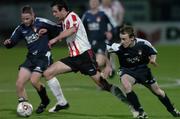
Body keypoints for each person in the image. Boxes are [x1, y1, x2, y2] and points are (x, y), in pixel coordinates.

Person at [43, 0, 130, 113]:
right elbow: (59, 28)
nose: (54, 14)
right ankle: (62, 102)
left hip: (85, 57)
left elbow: (72, 30)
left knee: (104, 85)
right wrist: (47, 30)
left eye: (55, 12)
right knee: (48, 73)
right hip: (73, 58)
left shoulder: (72, 16)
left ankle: (131, 104)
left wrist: (55, 39)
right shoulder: (64, 21)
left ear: (63, 10)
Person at [3, 5, 69, 114]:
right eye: (23, 19)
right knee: (19, 84)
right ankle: (24, 109)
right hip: (31, 58)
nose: (25, 21)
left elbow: (58, 28)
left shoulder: (42, 22)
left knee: (34, 81)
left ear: (33, 15)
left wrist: (49, 32)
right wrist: (8, 43)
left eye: (27, 18)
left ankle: (45, 100)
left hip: (43, 57)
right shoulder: (21, 28)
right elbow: (12, 41)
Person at [107, 25, 180, 118]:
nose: (122, 41)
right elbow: (106, 50)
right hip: (127, 70)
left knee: (158, 92)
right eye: (121, 39)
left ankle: (172, 109)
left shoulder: (143, 43)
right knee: (126, 85)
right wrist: (108, 66)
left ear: (132, 38)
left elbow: (153, 52)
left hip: (143, 71)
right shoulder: (117, 47)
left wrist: (153, 60)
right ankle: (140, 111)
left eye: (124, 39)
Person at [82, 0, 114, 79]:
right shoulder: (86, 15)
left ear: (98, 4)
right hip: (90, 43)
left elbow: (113, 26)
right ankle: (104, 80)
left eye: (95, 2)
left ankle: (107, 65)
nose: (93, 3)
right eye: (91, 2)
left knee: (98, 63)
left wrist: (110, 32)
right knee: (93, 65)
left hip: (102, 42)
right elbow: (81, 28)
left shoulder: (103, 14)